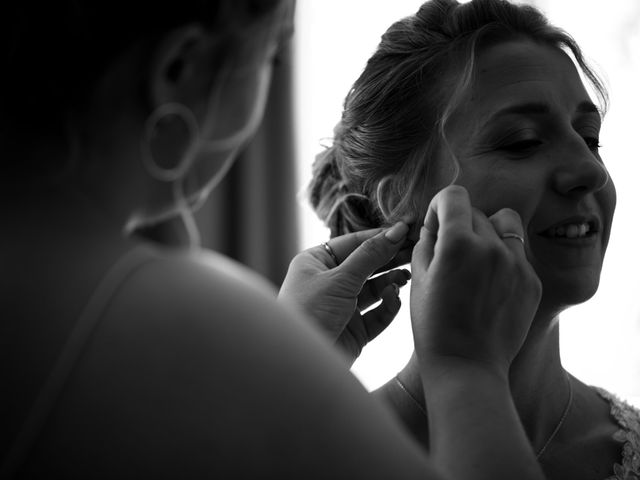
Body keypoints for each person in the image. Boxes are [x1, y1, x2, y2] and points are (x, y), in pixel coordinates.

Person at [0, 1, 547, 478]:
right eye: (271, 58)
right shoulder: (186, 323)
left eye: (590, 136)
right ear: (179, 67)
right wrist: (466, 365)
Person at [308, 0, 640, 478]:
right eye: (523, 141)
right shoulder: (323, 461)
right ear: (406, 204)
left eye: (590, 138)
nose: (589, 170)